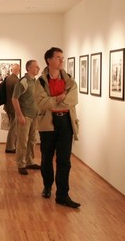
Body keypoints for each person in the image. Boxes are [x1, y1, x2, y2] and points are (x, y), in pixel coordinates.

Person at [35, 47, 80, 208]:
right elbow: (41, 103)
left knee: (64, 161)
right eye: (58, 57)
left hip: (66, 123)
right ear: (49, 60)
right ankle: (47, 186)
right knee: (47, 158)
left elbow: (73, 100)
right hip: (48, 124)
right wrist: (59, 99)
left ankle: (62, 195)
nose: (62, 60)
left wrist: (53, 101)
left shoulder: (69, 80)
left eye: (62, 57)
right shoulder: (40, 81)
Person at [12, 60, 41, 175]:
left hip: (34, 116)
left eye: (38, 67)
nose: (38, 69)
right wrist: (20, 115)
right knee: (22, 141)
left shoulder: (35, 81)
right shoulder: (22, 82)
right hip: (25, 116)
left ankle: (29, 161)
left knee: (32, 140)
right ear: (29, 68)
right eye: (36, 67)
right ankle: (21, 164)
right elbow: (14, 99)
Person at [4, 63, 20, 153]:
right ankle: (10, 147)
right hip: (13, 107)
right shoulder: (15, 80)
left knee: (13, 127)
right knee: (13, 128)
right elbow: (16, 96)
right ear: (18, 70)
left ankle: (13, 146)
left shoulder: (8, 79)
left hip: (8, 106)